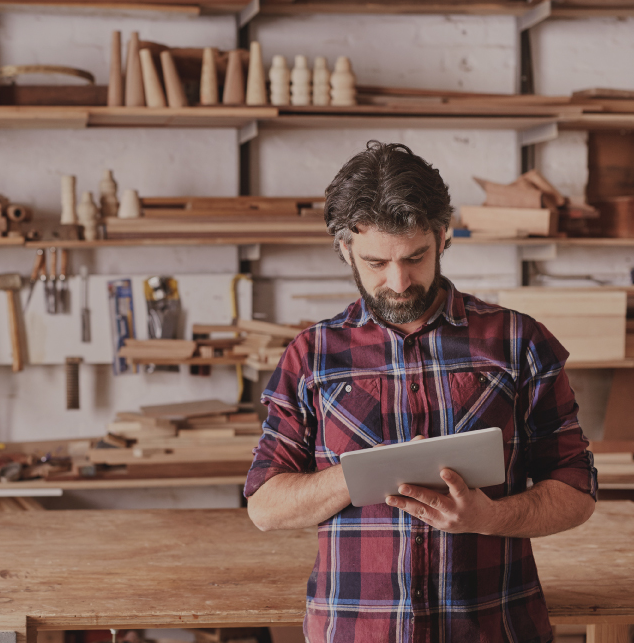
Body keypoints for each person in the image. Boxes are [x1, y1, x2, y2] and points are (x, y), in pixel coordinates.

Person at [245, 141, 597, 643]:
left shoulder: (518, 341)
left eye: (416, 257)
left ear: (443, 235)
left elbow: (577, 490)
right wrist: (361, 475)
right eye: (375, 262)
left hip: (495, 628)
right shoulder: (312, 354)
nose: (399, 281)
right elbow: (264, 506)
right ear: (345, 248)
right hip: (355, 631)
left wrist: (490, 517)